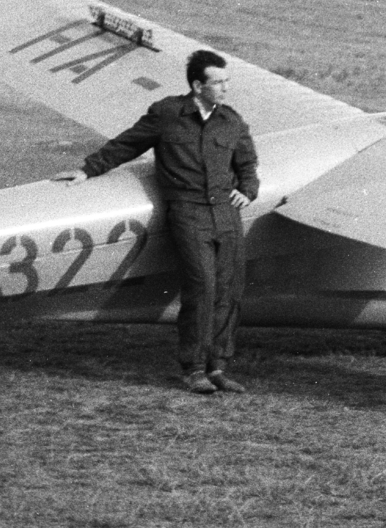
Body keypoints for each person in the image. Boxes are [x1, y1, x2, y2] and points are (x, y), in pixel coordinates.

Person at [55, 49, 259, 394]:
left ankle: (218, 367)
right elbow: (127, 144)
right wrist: (87, 169)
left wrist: (249, 191)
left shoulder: (232, 121)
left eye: (227, 81)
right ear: (197, 85)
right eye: (218, 82)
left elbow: (247, 165)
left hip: (226, 215)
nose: (225, 88)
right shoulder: (167, 114)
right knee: (202, 288)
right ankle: (193, 369)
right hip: (188, 213)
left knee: (229, 291)